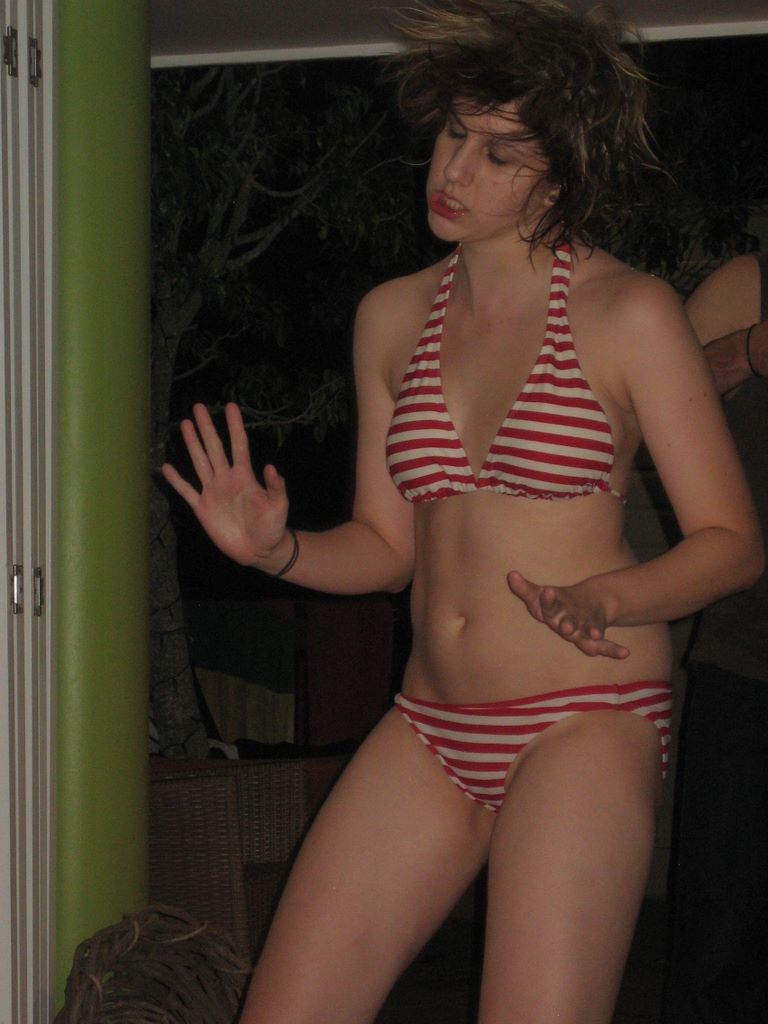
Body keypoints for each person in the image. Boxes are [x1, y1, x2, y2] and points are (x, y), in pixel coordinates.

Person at [161, 3, 763, 1021]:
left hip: (583, 718)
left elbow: (734, 543)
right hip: (430, 722)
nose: (454, 168)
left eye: (499, 153)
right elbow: (385, 547)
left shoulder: (630, 313)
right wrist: (278, 550)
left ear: (561, 175)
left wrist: (608, 598)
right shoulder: (392, 316)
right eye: (453, 134)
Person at [662, 251, 768, 1024]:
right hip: (750, 665)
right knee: (721, 944)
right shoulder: (749, 284)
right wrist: (749, 351)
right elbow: (633, 412)